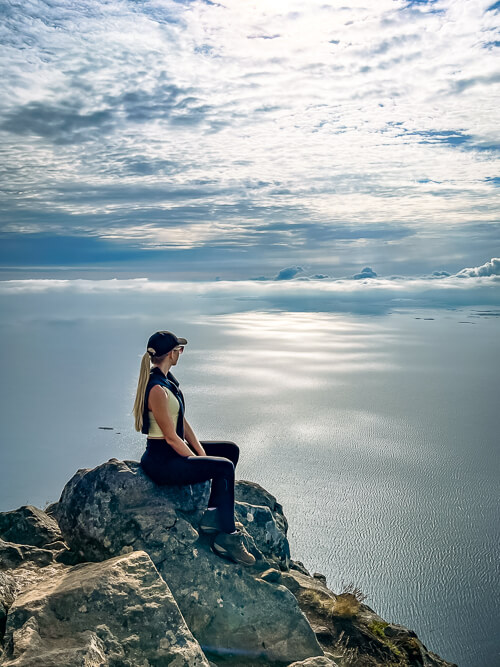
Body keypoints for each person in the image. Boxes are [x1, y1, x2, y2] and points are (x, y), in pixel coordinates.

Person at [133, 330, 255, 566]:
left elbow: (182, 423)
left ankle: (212, 516)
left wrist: (202, 455)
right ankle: (226, 538)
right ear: (170, 354)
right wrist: (197, 463)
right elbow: (170, 437)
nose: (181, 352)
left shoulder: (168, 382)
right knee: (224, 468)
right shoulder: (157, 390)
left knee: (230, 451)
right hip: (162, 462)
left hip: (171, 453)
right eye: (179, 349)